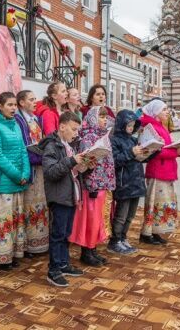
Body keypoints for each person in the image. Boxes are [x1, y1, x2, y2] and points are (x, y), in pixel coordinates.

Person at [39, 111, 89, 287]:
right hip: (59, 197)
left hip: (70, 195)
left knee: (66, 233)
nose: (76, 133)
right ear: (62, 127)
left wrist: (85, 166)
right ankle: (53, 271)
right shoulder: (52, 146)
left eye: (77, 130)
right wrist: (71, 161)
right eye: (74, 129)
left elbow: (72, 171)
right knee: (58, 234)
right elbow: (51, 172)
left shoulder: (68, 145)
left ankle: (63, 263)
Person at [0, 92, 31, 270]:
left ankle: (12, 254)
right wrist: (17, 175)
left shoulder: (15, 124)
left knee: (15, 221)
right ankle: (2, 258)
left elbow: (23, 150)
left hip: (19, 181)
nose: (13, 108)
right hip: (5, 182)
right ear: (0, 106)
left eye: (14, 105)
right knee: (3, 222)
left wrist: (25, 172)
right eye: (9, 105)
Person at [69, 106, 115, 266]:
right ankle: (86, 251)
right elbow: (85, 162)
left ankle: (93, 248)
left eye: (105, 117)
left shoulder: (102, 136)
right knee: (90, 219)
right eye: (101, 117)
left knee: (98, 219)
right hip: (92, 186)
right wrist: (91, 183)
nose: (105, 119)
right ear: (93, 118)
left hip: (102, 184)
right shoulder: (88, 137)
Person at [109, 110, 156, 254]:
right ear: (121, 124)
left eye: (133, 125)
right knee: (121, 215)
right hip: (124, 183)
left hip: (136, 181)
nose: (130, 128)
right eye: (128, 125)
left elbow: (141, 158)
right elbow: (115, 161)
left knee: (130, 216)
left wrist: (154, 151)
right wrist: (131, 153)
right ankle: (114, 241)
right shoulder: (114, 139)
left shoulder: (133, 139)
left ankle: (123, 238)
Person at [139, 99, 180, 245]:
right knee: (155, 203)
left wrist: (179, 150)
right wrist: (175, 152)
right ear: (156, 113)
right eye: (164, 109)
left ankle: (156, 230)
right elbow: (155, 151)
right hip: (157, 170)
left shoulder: (160, 126)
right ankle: (146, 233)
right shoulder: (150, 127)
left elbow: (167, 147)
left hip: (166, 169)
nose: (167, 112)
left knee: (163, 203)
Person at [14, 90, 49, 257]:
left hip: (40, 167)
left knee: (40, 204)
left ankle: (40, 242)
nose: (35, 102)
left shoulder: (35, 118)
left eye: (35, 99)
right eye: (31, 99)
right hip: (31, 166)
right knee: (29, 205)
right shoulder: (19, 120)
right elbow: (24, 146)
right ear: (21, 103)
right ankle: (29, 245)